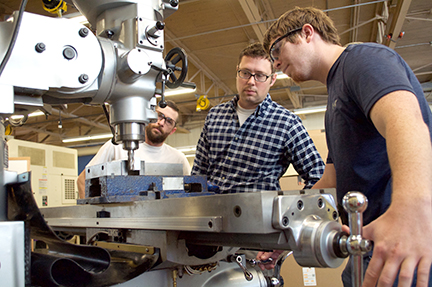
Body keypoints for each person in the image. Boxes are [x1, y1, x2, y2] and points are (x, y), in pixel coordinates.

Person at [258, 7, 432, 287]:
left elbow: (407, 123)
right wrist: (286, 232)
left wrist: (411, 211)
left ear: (306, 33)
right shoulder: (336, 96)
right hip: (369, 243)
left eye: (277, 50)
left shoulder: (363, 60)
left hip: (402, 241)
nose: (276, 63)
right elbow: (331, 179)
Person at [191, 42, 325, 193]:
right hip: (213, 214)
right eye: (245, 73)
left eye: (260, 75)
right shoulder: (215, 116)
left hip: (260, 215)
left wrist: (289, 210)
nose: (250, 82)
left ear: (272, 79)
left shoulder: (286, 123)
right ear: (237, 71)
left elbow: (317, 175)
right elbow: (197, 176)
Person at [77, 100, 190, 198]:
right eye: (159, 115)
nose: (161, 123)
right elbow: (83, 180)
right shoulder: (117, 146)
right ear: (149, 115)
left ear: (173, 130)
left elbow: (189, 192)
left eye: (169, 121)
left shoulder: (178, 159)